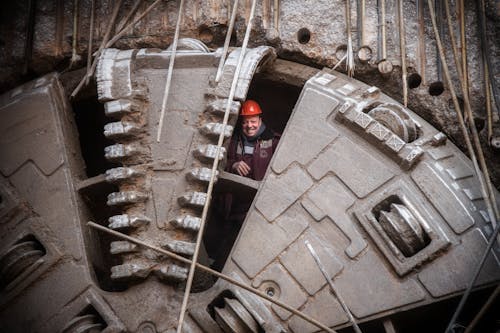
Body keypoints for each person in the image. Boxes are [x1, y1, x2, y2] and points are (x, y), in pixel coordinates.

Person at [226, 100, 280, 181]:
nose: (249, 126)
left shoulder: (273, 140)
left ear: (260, 121)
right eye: (245, 122)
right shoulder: (234, 139)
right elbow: (222, 163)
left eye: (253, 121)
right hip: (236, 187)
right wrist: (233, 165)